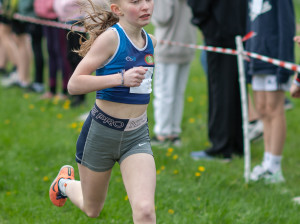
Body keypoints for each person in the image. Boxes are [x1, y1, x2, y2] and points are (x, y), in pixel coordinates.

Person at [49, 0, 157, 222]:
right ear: (117, 10)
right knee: (92, 209)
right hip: (100, 135)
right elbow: (74, 84)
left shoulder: (152, 42)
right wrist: (120, 79)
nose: (146, 6)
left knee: (145, 210)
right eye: (136, 2)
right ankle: (63, 184)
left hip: (136, 136)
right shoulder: (111, 39)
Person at [187, 0, 247, 160]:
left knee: (221, 88)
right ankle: (235, 144)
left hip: (219, 29)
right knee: (233, 86)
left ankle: (222, 147)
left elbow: (199, 5)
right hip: (237, 26)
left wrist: (202, 22)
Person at [246, 0, 295, 183]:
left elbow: (287, 26)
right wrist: (248, 57)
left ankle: (275, 167)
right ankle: (267, 164)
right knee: (262, 110)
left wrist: (284, 64)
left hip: (275, 60)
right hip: (256, 58)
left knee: (274, 110)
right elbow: (249, 25)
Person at [150, 0, 196, 147]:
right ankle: (173, 132)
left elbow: (161, 18)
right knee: (177, 93)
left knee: (164, 92)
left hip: (168, 45)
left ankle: (163, 133)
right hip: (187, 43)